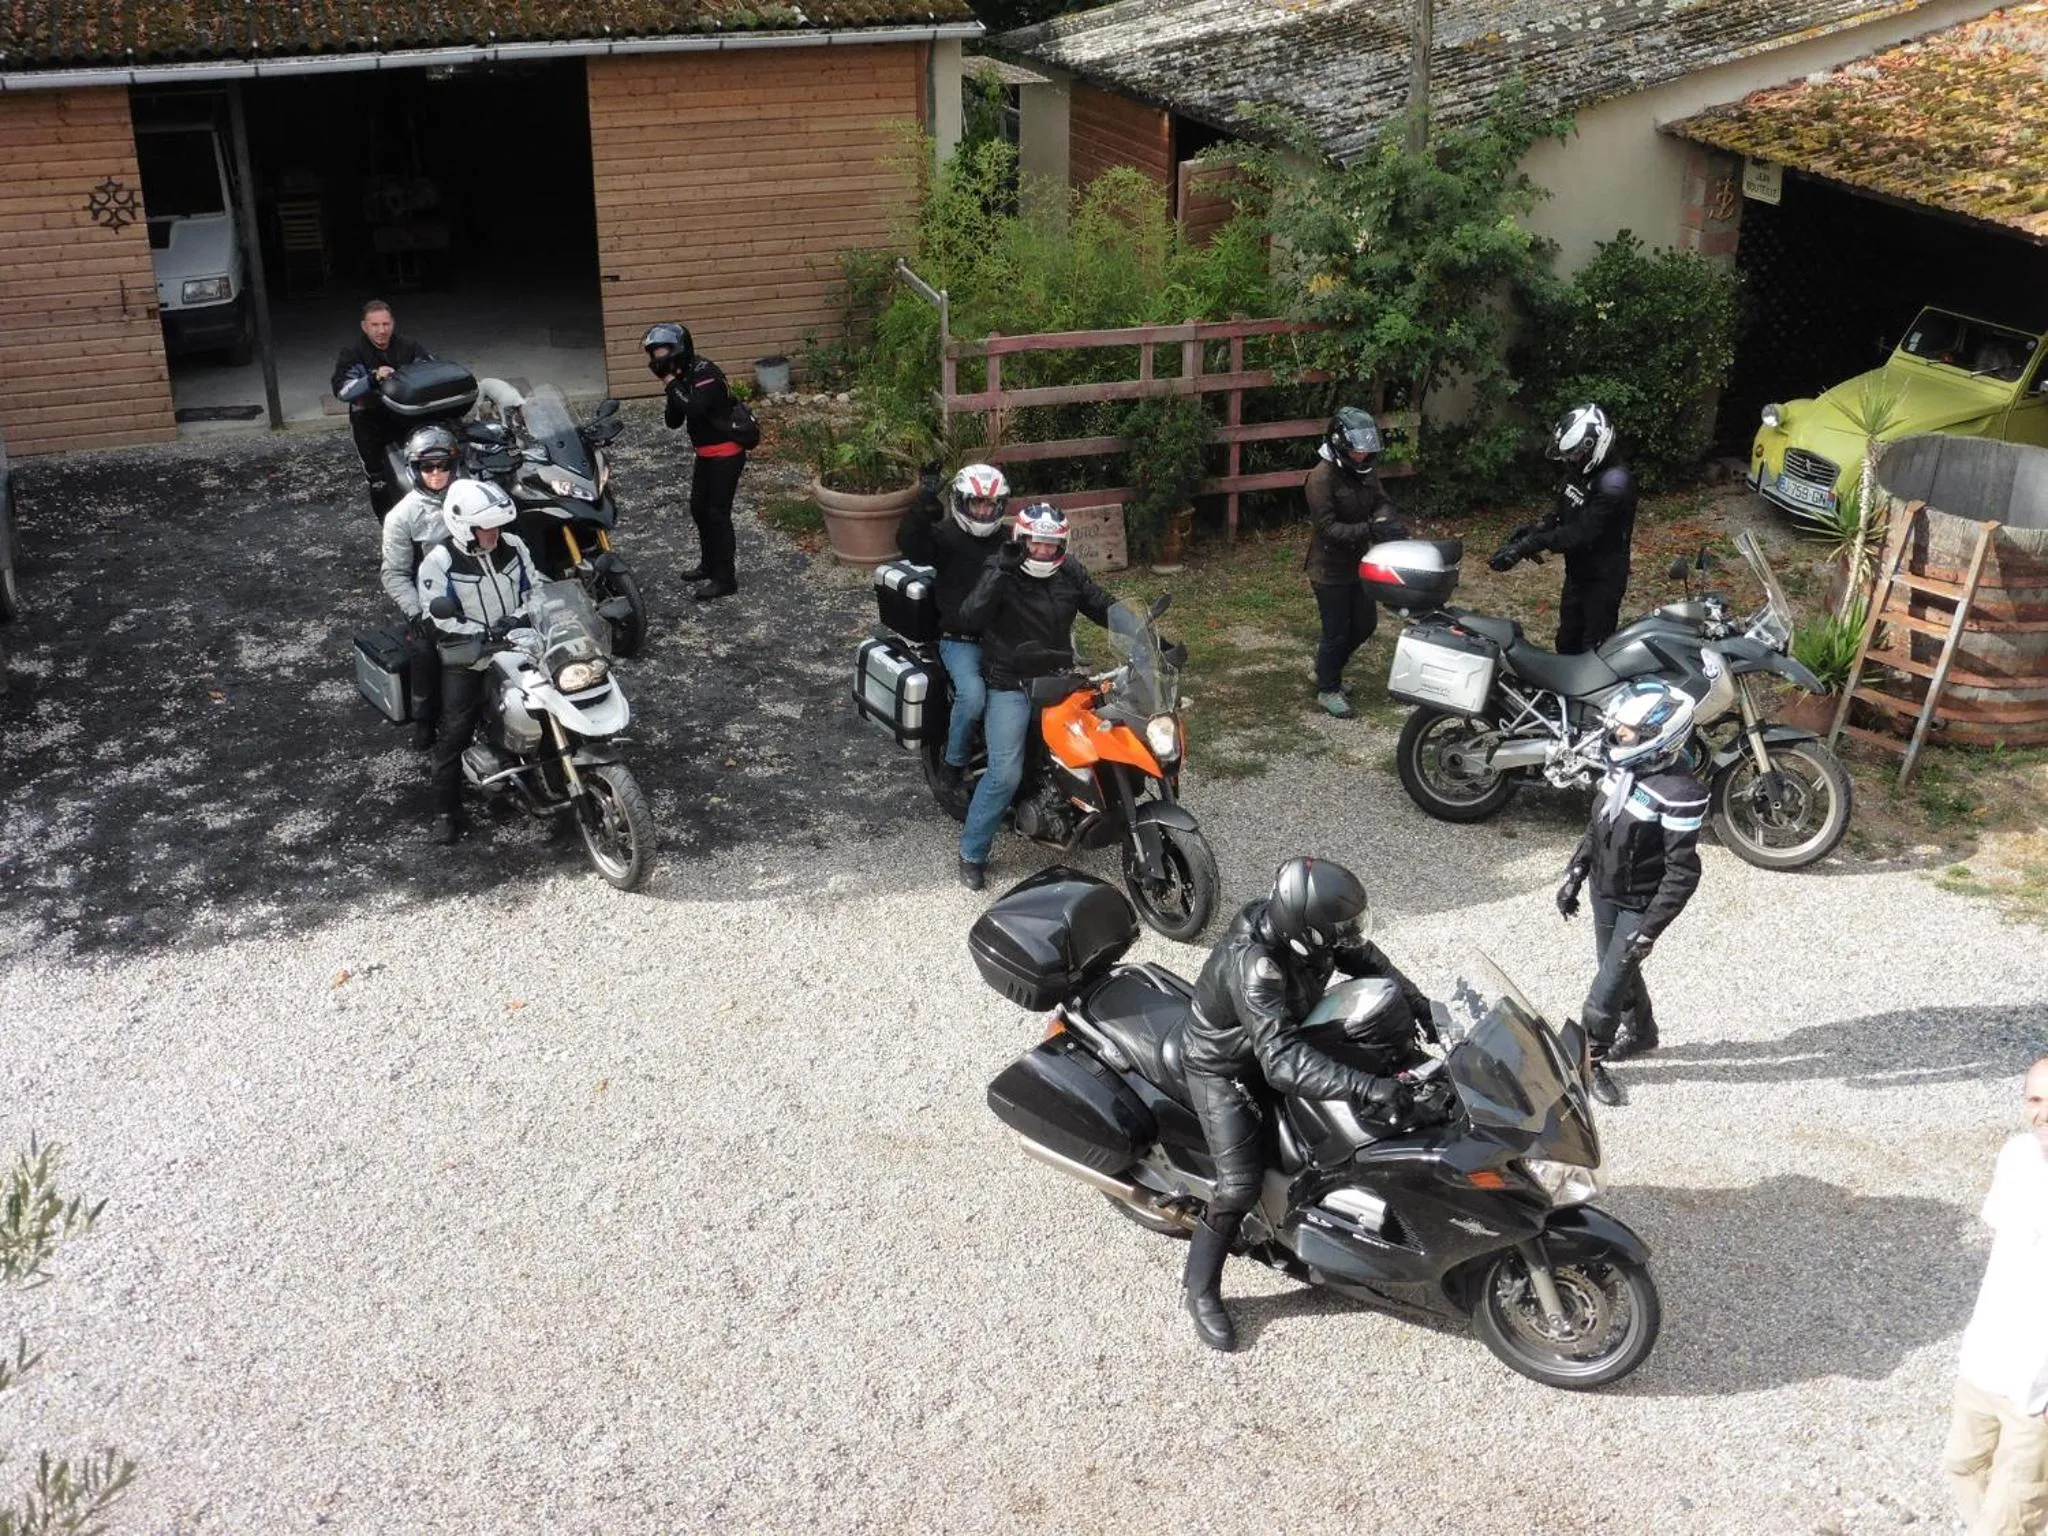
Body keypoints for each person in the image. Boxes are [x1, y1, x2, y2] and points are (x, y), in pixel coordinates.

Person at [1179, 856, 1441, 1351]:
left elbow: (1367, 959)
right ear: (1307, 929)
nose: (1347, 933)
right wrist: (1366, 1087)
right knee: (1238, 1185)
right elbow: (1280, 1064)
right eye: (1337, 927)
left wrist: (1421, 1004)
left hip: (1282, 1033)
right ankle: (1200, 1290)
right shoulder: (1256, 966)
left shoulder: (1304, 935)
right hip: (1229, 1066)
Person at [1554, 678, 1707, 1108]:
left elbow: (1682, 873)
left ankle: (1590, 1058)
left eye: (1626, 733)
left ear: (1661, 738)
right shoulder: (1622, 769)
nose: (1615, 738)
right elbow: (1598, 824)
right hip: (1605, 890)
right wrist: (1576, 873)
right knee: (1614, 968)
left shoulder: (1682, 794)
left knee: (1605, 987)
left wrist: (1650, 929)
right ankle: (1642, 1032)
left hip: (1640, 903)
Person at [952, 503, 1114, 891]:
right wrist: (1001, 571)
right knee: (1005, 772)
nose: (1042, 551)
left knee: (1098, 743)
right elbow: (970, 617)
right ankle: (972, 852)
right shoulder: (1000, 568)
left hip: (1058, 678)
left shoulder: (1070, 571)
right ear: (1020, 540)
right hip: (1009, 682)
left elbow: (1101, 605)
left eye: (1050, 544)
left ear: (1062, 544)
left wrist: (1144, 633)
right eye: (1034, 544)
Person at [1942, 1055, 2048, 1536]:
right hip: (1983, 1365)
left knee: (2012, 1517)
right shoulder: (2017, 1155)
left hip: (2036, 1392)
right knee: (1964, 1468)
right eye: (2034, 1098)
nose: (2042, 1112)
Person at [416, 479, 540, 846]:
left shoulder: (514, 546)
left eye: (498, 524)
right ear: (464, 526)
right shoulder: (438, 561)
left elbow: (537, 588)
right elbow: (435, 616)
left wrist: (518, 618)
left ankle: (540, 782)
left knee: (543, 708)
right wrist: (478, 634)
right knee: (455, 728)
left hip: (518, 644)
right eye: (487, 526)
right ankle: (445, 812)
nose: (495, 532)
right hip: (469, 656)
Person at [1487, 403, 1639, 654]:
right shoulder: (1578, 472)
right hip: (1577, 573)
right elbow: (1563, 514)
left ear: (1594, 446)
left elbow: (1581, 534)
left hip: (1603, 579)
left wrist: (1533, 544)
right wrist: (1534, 530)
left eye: (1575, 454)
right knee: (1567, 641)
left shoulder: (1615, 485)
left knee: (1593, 651)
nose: (1570, 459)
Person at [898, 463, 1011, 795]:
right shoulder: (947, 536)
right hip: (959, 639)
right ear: (962, 503)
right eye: (976, 503)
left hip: (1002, 635)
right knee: (973, 696)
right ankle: (953, 763)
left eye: (990, 504)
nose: (984, 510)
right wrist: (924, 499)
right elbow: (910, 544)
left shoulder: (1009, 539)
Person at [1304, 407, 1408, 718]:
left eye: (1366, 450)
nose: (1362, 456)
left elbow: (1382, 501)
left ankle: (1325, 667)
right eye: (1356, 450)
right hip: (1328, 568)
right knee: (1336, 630)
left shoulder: (1366, 472)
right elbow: (1329, 529)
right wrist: (1371, 529)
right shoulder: (1320, 478)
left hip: (1359, 564)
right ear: (1339, 444)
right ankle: (1328, 688)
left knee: (1365, 625)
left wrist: (1387, 520)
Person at [644, 322, 746, 602]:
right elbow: (673, 421)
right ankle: (709, 564)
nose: (657, 359)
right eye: (653, 354)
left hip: (727, 452)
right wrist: (673, 387)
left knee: (717, 514)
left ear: (678, 349)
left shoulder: (705, 374)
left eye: (661, 352)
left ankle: (726, 579)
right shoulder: (683, 376)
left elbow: (694, 409)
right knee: (699, 509)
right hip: (705, 454)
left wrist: (672, 385)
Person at [379, 426, 459, 750]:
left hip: (480, 589)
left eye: (443, 466)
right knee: (424, 652)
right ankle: (425, 720)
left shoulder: (473, 495)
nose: (437, 474)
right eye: (428, 467)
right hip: (431, 600)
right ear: (415, 469)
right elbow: (394, 574)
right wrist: (417, 613)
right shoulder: (401, 516)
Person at [331, 299, 433, 517]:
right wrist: (373, 378)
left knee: (423, 469)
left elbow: (431, 370)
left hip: (408, 419)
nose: (381, 330)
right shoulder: (352, 353)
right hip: (369, 423)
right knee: (380, 481)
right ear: (364, 327)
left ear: (393, 324)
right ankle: (390, 529)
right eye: (375, 325)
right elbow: (342, 391)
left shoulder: (409, 346)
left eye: (385, 324)